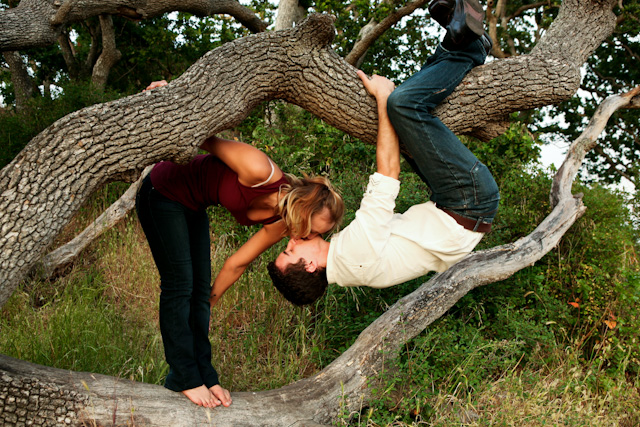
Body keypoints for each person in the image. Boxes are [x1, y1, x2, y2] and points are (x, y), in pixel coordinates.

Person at [267, 0, 500, 306]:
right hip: (468, 201)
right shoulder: (353, 256)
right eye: (290, 251)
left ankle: (459, 41)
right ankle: (470, 49)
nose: (292, 241)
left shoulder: (348, 264)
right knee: (402, 105)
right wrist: (382, 97)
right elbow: (388, 173)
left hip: (457, 206)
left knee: (404, 130)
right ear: (310, 266)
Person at [135, 85, 344, 408]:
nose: (305, 239)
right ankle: (184, 377)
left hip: (192, 207)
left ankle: (205, 375)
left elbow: (237, 263)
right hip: (162, 193)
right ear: (303, 208)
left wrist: (207, 305)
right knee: (179, 286)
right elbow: (203, 134)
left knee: (199, 292)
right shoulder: (260, 170)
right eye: (310, 231)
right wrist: (171, 91)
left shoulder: (281, 224)